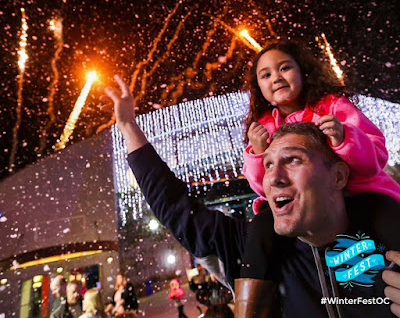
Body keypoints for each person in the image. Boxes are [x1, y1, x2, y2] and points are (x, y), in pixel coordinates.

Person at [101, 75, 400, 317]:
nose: (274, 177)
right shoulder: (250, 252)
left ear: (338, 176)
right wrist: (127, 126)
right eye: (267, 164)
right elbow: (173, 205)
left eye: (293, 160)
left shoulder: (388, 241)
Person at [243, 39, 400, 214]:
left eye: (285, 68)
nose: (276, 78)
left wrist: (345, 138)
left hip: (360, 197)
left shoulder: (333, 106)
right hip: (305, 209)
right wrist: (258, 154)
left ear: (303, 71)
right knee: (262, 225)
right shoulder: (262, 129)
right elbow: (265, 189)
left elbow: (376, 158)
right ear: (258, 87)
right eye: (266, 75)